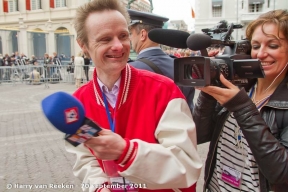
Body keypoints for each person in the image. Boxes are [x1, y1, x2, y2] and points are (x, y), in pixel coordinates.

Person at [65, 1, 202, 192]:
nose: (118, 46)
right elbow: (85, 159)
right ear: (84, 45)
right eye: (105, 39)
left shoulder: (164, 91)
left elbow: (186, 167)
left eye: (123, 36)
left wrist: (126, 152)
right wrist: (99, 187)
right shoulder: (77, 103)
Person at [193, 9, 288, 192]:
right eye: (256, 45)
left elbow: (282, 173)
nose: (261, 54)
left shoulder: (239, 97)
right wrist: (209, 88)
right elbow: (198, 135)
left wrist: (242, 107)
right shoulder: (240, 86)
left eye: (273, 46)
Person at [127, 9, 195, 112]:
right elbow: (189, 110)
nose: (130, 38)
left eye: (131, 34)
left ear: (142, 34)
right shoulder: (183, 66)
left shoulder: (131, 70)